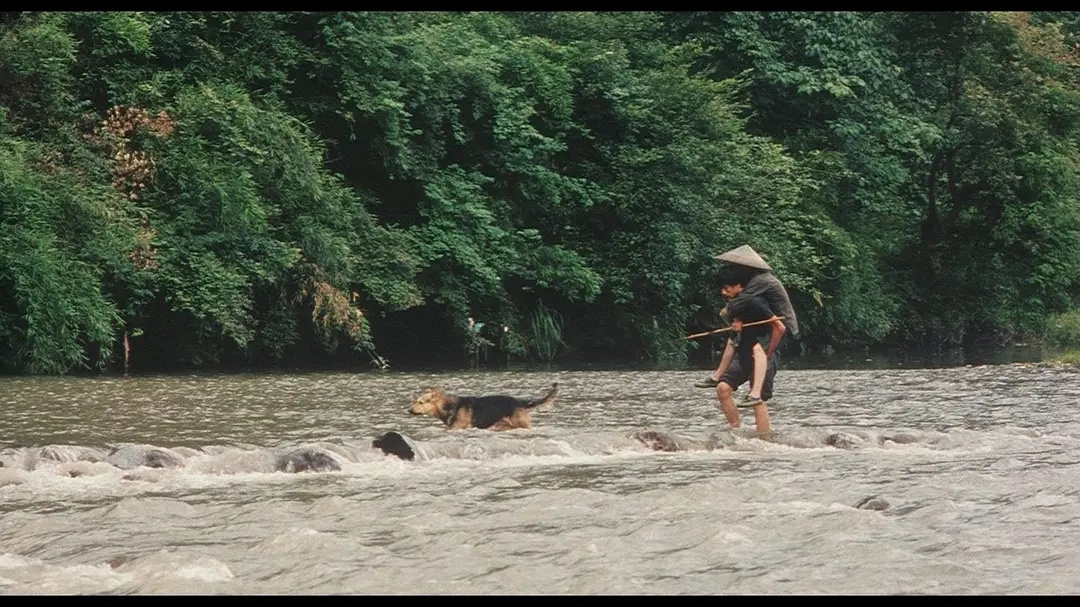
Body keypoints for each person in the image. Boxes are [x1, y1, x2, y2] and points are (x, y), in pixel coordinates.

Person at [695, 244, 798, 388]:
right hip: (764, 319)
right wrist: (738, 319)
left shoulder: (760, 281)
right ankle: (717, 375)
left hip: (780, 323)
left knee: (761, 353)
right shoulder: (751, 281)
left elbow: (738, 303)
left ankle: (755, 393)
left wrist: (731, 316)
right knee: (734, 339)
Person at [713, 265, 786, 434]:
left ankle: (763, 439)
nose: (723, 293)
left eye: (726, 288)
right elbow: (734, 336)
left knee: (757, 399)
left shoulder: (756, 302)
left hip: (763, 355)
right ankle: (736, 432)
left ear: (739, 286)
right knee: (723, 388)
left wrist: (769, 351)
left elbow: (779, 327)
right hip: (744, 353)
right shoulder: (736, 306)